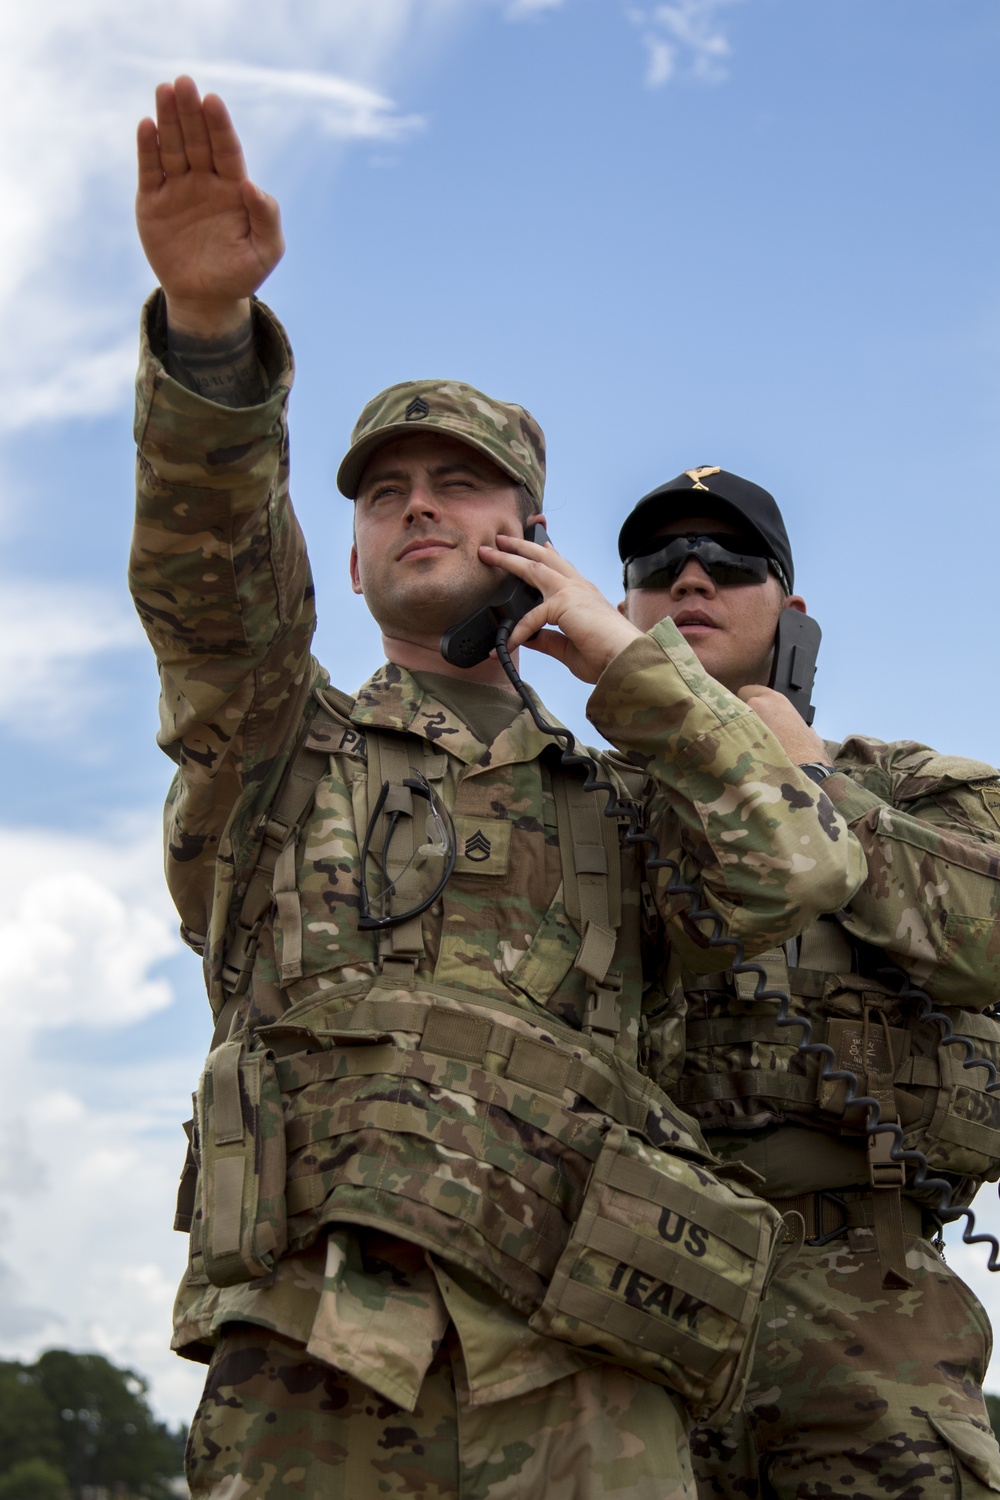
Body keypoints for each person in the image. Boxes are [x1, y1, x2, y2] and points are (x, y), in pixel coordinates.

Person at [130, 80, 865, 1500]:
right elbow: (209, 585)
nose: (419, 503)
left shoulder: (624, 793)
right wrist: (210, 344)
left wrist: (631, 670)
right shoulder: (281, 743)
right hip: (318, 1357)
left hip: (588, 1378)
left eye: (463, 485)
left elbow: (806, 869)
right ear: (347, 561)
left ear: (534, 539)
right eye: (385, 488)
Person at [618, 464, 1000, 1499]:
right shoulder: (570, 809)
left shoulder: (920, 790)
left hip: (863, 1315)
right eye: (657, 564)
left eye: (730, 562)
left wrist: (810, 785)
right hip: (621, 1306)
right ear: (616, 613)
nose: (690, 577)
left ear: (793, 619)